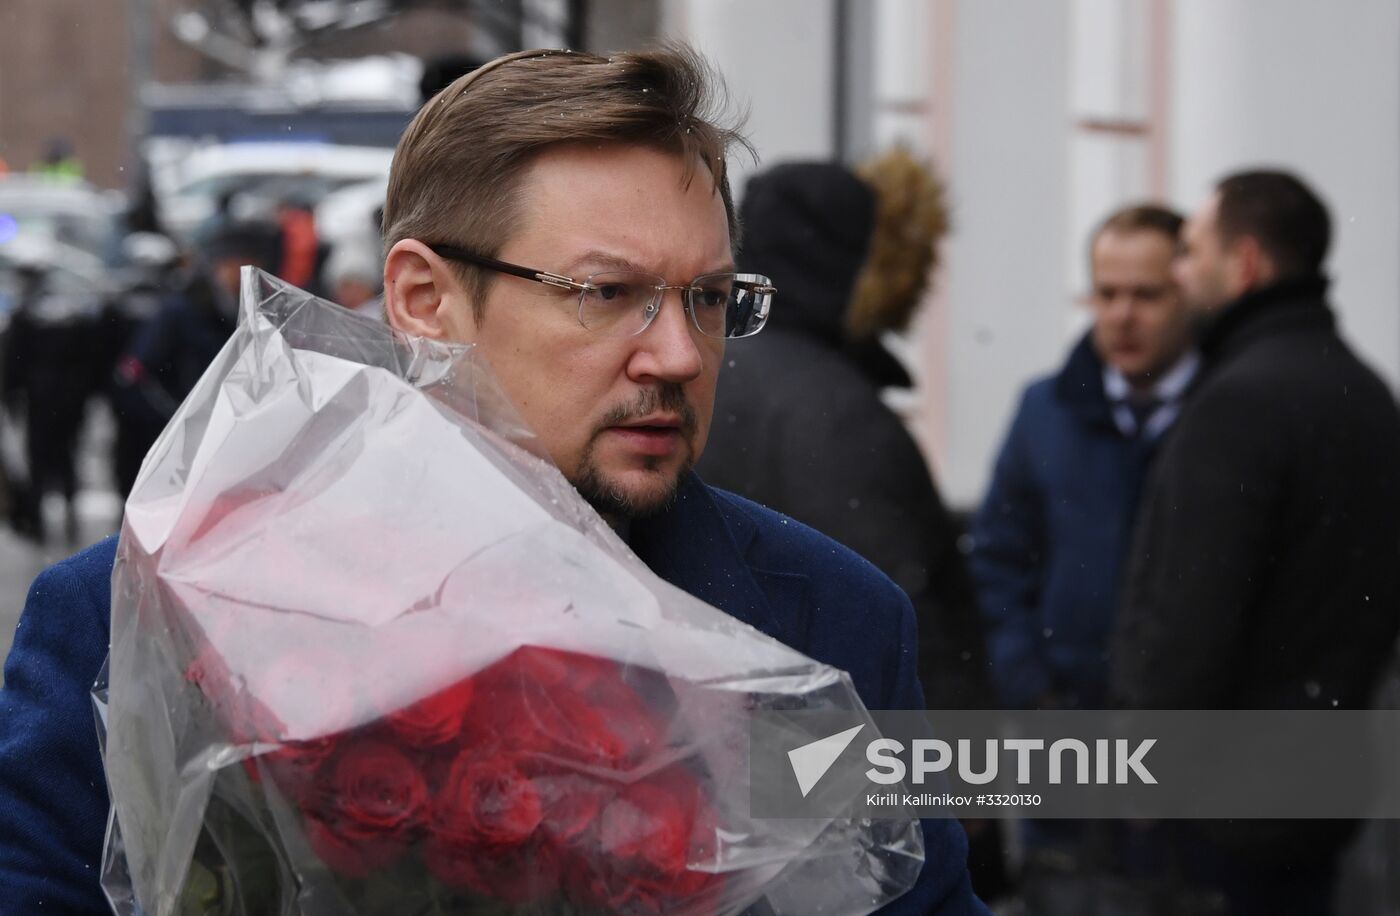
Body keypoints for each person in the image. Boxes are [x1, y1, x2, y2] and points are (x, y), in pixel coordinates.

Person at [0, 46, 988, 914]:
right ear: (422, 299)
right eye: (606, 294)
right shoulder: (136, 615)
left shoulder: (831, 621)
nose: (681, 356)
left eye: (710, 297)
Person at [1112, 170, 1400, 914]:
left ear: (1244, 264)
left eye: (1192, 251)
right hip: (1328, 781)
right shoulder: (1367, 395)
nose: (1181, 270)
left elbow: (1191, 615)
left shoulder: (1239, 404)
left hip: (1226, 800)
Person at [698, 154, 994, 713]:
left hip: (726, 731)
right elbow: (900, 620)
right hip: (827, 754)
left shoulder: (711, 374)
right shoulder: (840, 414)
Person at [970, 204, 1195, 713]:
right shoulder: (1046, 410)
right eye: (1107, 293)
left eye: (1146, 295)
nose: (1122, 315)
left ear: (1185, 293)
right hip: (1066, 721)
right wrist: (1031, 690)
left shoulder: (1222, 415)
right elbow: (998, 559)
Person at [108, 219, 281, 497]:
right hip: (184, 448)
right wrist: (179, 420)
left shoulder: (259, 308)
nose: (240, 275)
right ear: (217, 265)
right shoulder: (182, 311)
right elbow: (135, 375)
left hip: (233, 443)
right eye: (235, 264)